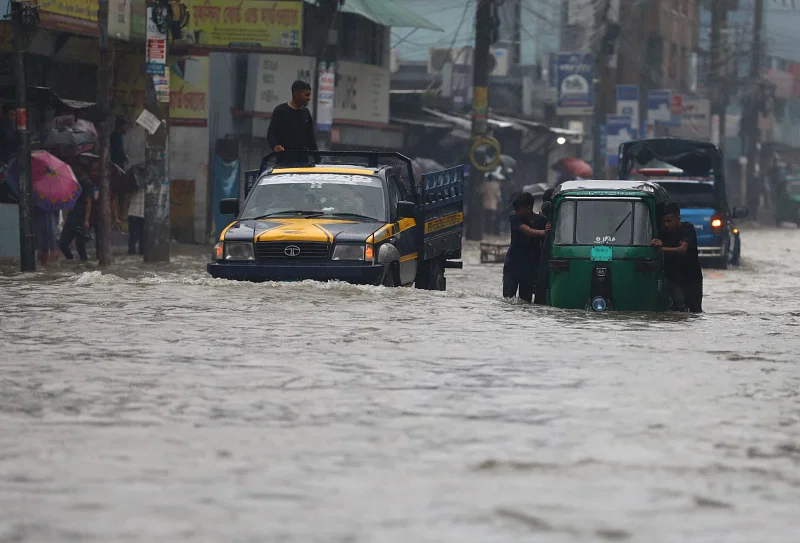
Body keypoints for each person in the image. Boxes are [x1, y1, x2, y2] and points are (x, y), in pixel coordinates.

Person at [652, 202, 703, 313]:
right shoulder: (663, 233)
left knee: (695, 311)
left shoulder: (687, 228)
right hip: (674, 279)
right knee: (678, 308)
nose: (666, 224)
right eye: (664, 221)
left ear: (678, 218)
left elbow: (682, 249)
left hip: (692, 278)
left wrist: (662, 248)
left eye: (669, 221)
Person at [503, 192, 551, 303]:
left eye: (519, 208)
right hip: (512, 265)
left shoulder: (541, 221)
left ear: (528, 207)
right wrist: (545, 232)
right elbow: (527, 231)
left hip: (530, 267)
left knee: (525, 301)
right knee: (508, 299)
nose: (517, 211)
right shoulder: (514, 219)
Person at [266, 80, 319, 166]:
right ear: (296, 94)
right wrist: (275, 146)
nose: (309, 98)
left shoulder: (306, 113)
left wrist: (318, 159)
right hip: (284, 163)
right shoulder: (281, 111)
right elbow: (271, 133)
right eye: (306, 95)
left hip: (303, 163)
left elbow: (311, 139)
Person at [59, 156, 94, 262]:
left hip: (80, 217)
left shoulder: (87, 183)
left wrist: (86, 220)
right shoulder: (75, 181)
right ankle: (72, 260)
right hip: (73, 215)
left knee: (80, 245)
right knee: (63, 243)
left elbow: (89, 202)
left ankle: (82, 265)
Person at [482, 171, 502, 235]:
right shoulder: (496, 185)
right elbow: (498, 196)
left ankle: (485, 231)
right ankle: (490, 232)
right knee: (492, 219)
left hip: (484, 204)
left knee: (485, 219)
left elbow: (482, 194)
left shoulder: (484, 185)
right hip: (493, 205)